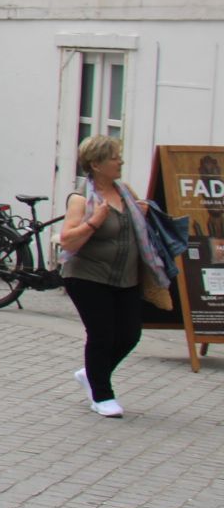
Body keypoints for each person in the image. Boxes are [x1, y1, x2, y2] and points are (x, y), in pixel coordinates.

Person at [59, 135, 168, 418]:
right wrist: (94, 222)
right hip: (87, 277)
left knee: (130, 334)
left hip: (126, 278)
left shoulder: (125, 192)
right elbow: (67, 241)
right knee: (102, 335)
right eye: (115, 157)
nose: (121, 161)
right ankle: (101, 395)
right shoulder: (81, 198)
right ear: (96, 164)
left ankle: (92, 373)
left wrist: (142, 213)